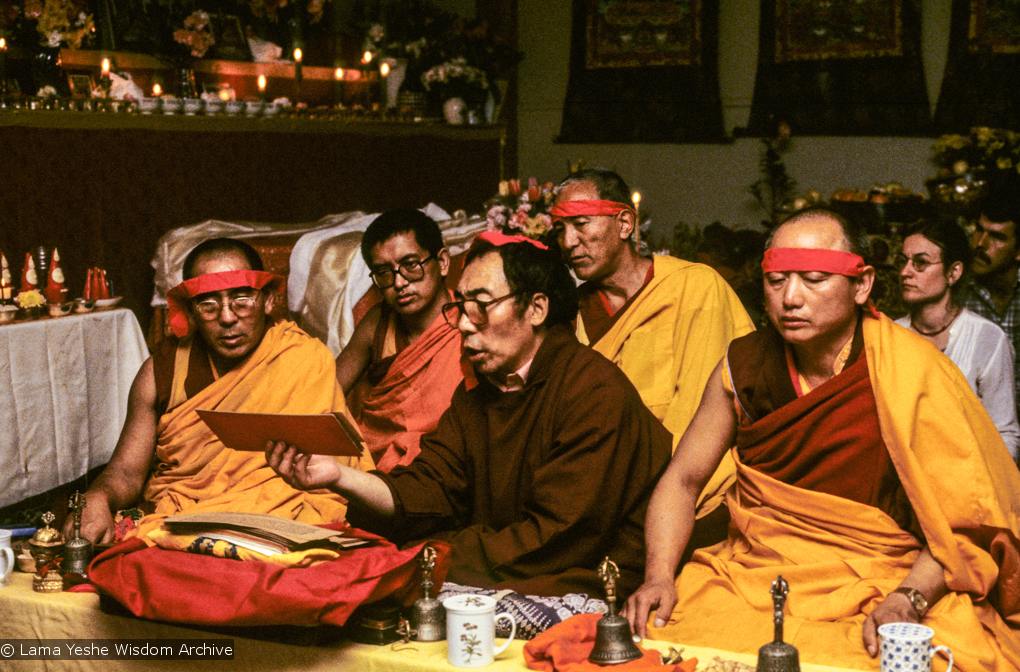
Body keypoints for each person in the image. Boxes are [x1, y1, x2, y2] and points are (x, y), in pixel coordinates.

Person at [623, 209, 1020, 671]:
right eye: (776, 281)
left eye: (813, 279)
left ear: (862, 285)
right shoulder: (744, 365)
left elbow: (963, 525)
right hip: (753, 575)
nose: (791, 298)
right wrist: (658, 576)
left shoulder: (914, 370)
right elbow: (683, 479)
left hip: (882, 576)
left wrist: (907, 599)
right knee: (670, 645)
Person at [268, 231, 672, 597]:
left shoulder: (593, 390)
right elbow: (433, 486)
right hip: (499, 564)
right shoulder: (479, 389)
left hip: (578, 574)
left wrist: (430, 555)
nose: (462, 324)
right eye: (460, 306)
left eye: (479, 306)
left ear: (536, 308)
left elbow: (558, 535)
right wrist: (339, 477)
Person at [67, 238, 374, 544]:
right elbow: (126, 472)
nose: (227, 317)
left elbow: (330, 479)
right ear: (191, 311)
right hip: (184, 524)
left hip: (281, 527)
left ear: (268, 300)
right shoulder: (163, 371)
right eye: (209, 304)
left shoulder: (302, 358)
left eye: (241, 300)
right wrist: (98, 496)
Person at [550, 168, 754, 548]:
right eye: (560, 230)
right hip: (597, 493)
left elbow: (701, 414)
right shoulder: (571, 313)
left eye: (580, 225)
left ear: (625, 222)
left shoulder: (694, 287)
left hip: (688, 487)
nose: (569, 241)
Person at [336, 209, 463, 471]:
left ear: (442, 262)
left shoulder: (470, 321)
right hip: (373, 465)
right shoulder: (377, 323)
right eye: (384, 273)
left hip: (446, 464)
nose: (399, 282)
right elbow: (327, 392)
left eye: (410, 265)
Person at [895, 218, 1019, 459]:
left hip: (970, 482)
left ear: (953, 272)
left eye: (920, 263)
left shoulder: (987, 338)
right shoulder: (891, 335)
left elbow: (1005, 433)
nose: (904, 272)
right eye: (903, 261)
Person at [964, 182, 1020, 426]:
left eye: (997, 237)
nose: (981, 244)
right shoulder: (954, 290)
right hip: (972, 427)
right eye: (979, 230)